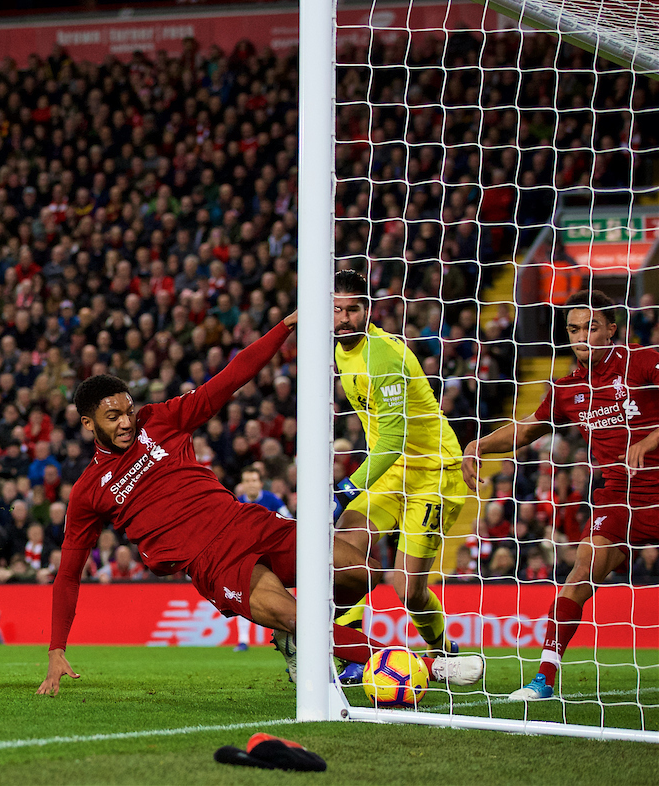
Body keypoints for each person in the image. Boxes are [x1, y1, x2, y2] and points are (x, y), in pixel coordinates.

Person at [36, 314, 483, 694]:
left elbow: (229, 378)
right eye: (113, 417)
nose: (127, 422)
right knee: (292, 612)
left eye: (128, 410)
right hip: (212, 560)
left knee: (357, 573)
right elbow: (69, 574)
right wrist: (57, 648)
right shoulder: (89, 490)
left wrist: (284, 327)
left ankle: (300, 640)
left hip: (244, 520)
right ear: (87, 423)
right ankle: (416, 666)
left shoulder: (162, 419)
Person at [462, 290, 659, 700]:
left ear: (611, 329)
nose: (582, 335)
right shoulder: (567, 388)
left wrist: (650, 440)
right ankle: (543, 680)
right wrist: (478, 446)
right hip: (620, 497)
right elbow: (527, 429)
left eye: (591, 326)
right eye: (573, 328)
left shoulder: (641, 360)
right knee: (580, 572)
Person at [330, 270, 466, 665]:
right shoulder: (340, 348)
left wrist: (344, 490)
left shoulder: (383, 356)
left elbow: (392, 441)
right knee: (343, 550)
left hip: (432, 472)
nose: (343, 318)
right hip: (389, 472)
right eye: (337, 309)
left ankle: (443, 654)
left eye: (352, 310)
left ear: (367, 310)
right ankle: (354, 654)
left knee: (409, 590)